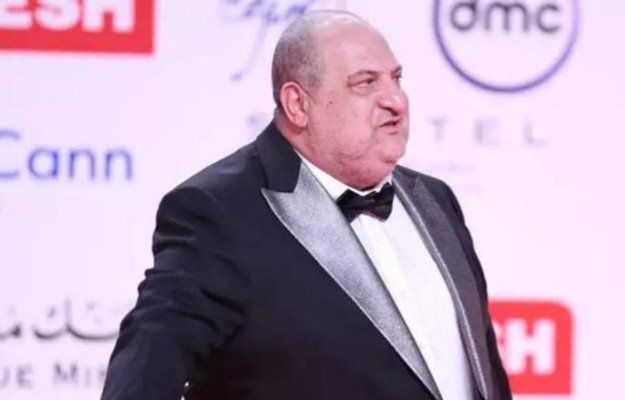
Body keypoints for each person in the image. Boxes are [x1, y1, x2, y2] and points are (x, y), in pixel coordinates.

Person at [101, 10, 511, 400]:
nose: (395, 101)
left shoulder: (435, 200)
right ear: (298, 104)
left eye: (396, 78)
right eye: (365, 83)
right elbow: (145, 371)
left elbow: (482, 371)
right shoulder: (220, 211)